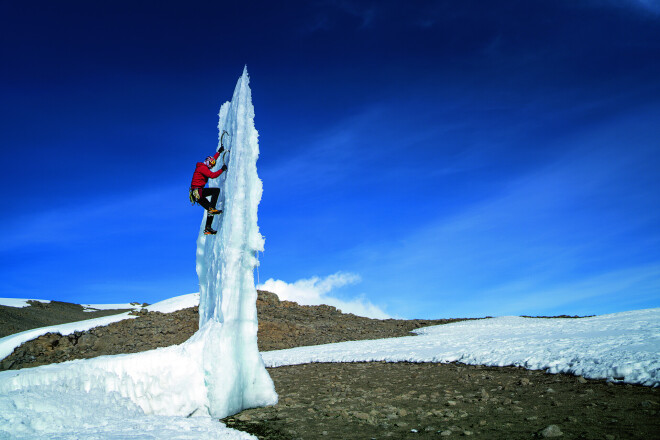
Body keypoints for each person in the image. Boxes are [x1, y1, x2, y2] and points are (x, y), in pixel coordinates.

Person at [190, 146, 228, 235]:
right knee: (216, 191)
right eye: (211, 164)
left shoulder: (205, 166)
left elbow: (212, 159)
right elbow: (212, 175)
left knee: (210, 209)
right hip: (198, 192)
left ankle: (208, 228)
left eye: (213, 165)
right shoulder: (202, 168)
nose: (212, 166)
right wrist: (222, 170)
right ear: (207, 162)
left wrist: (218, 152)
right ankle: (212, 209)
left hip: (196, 195)